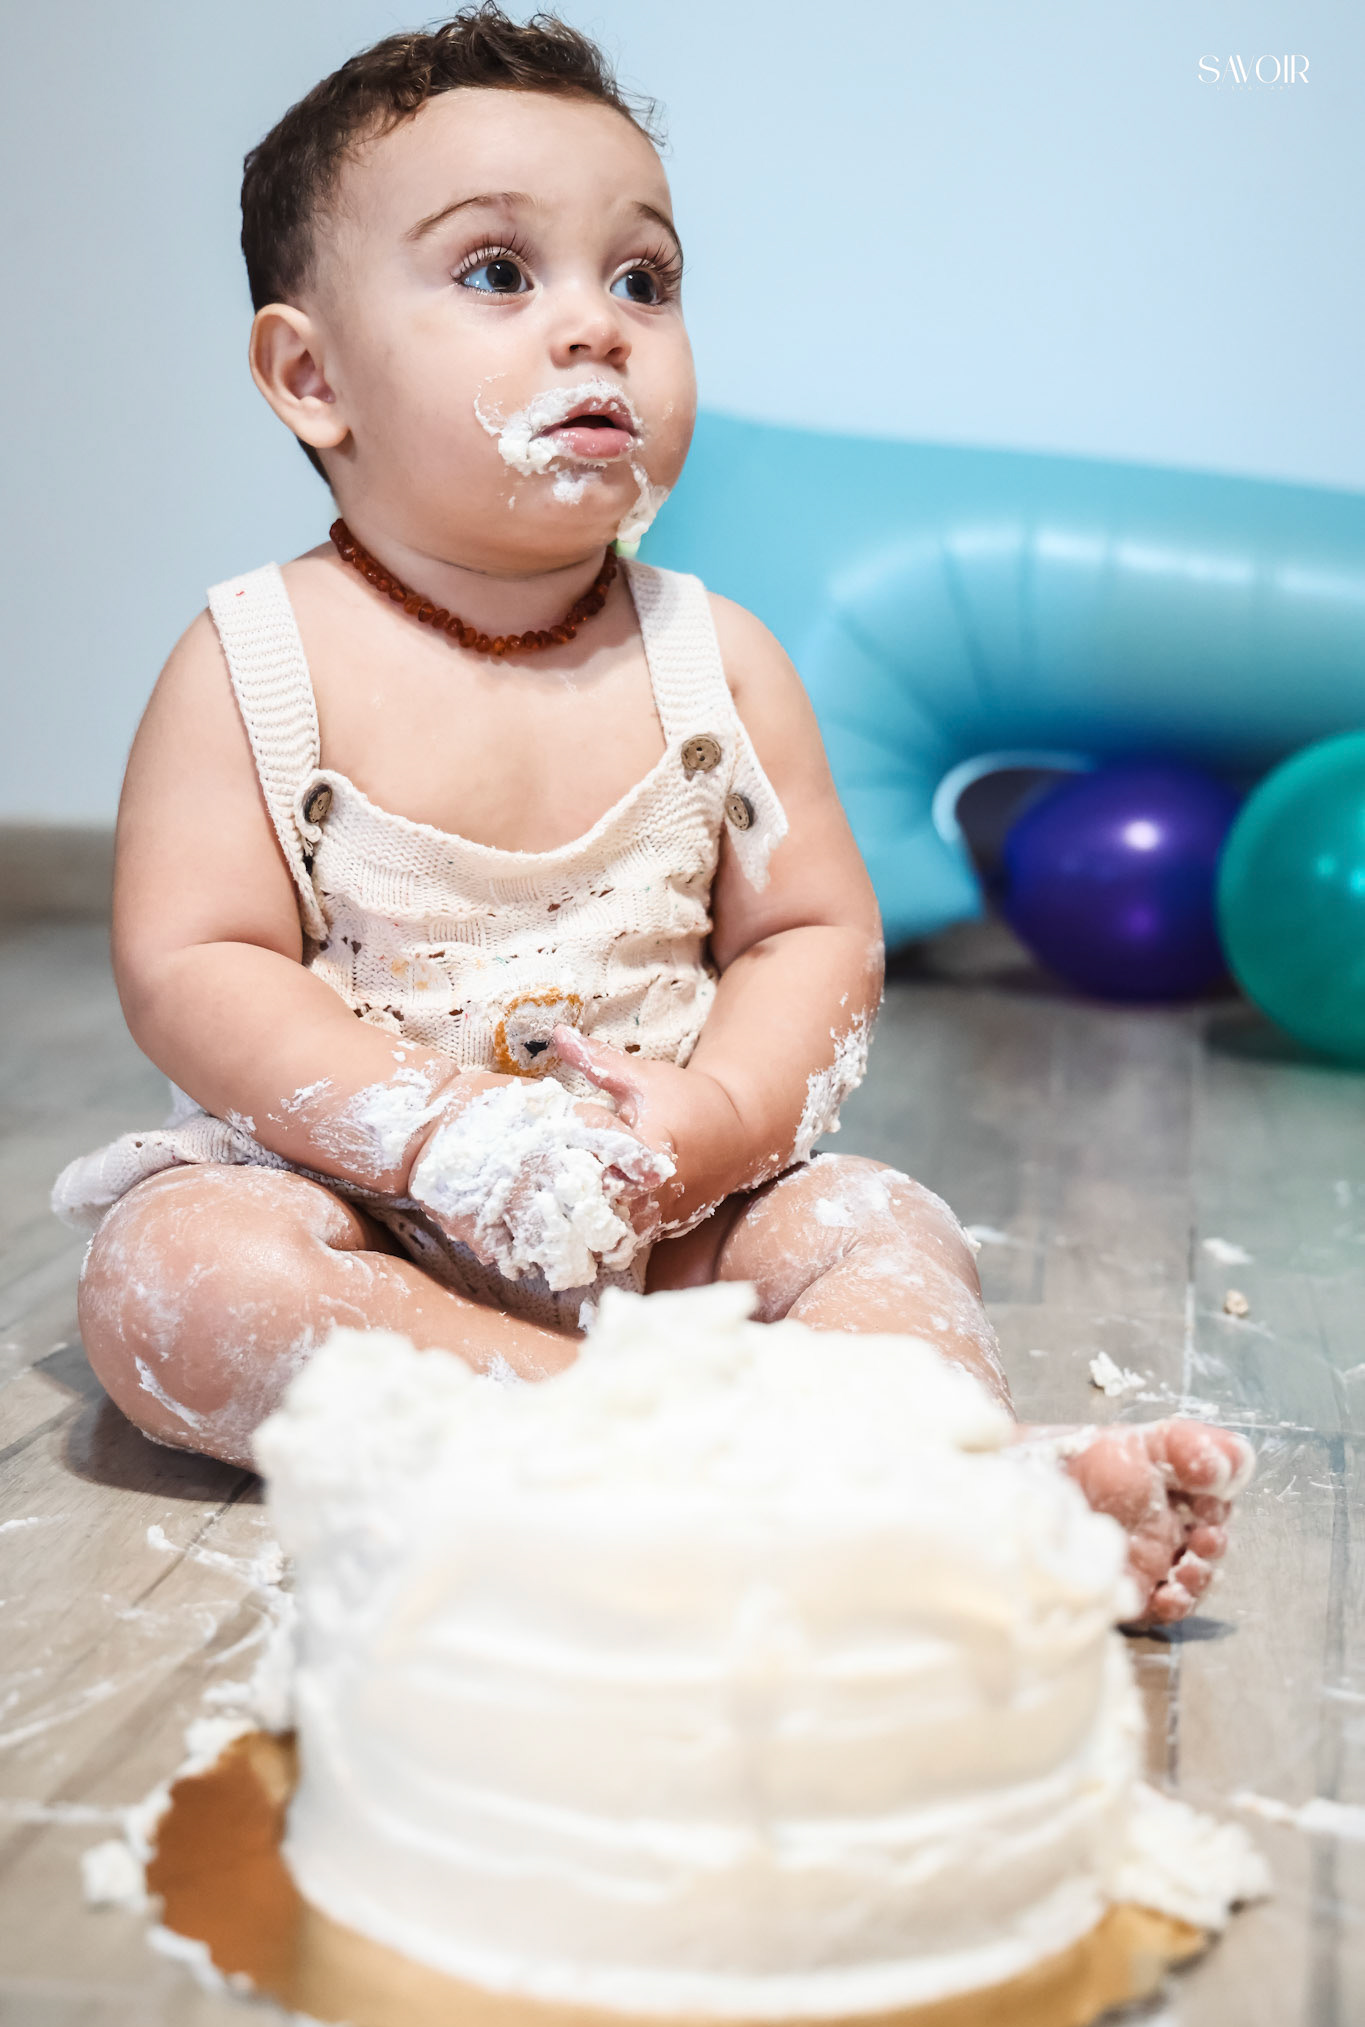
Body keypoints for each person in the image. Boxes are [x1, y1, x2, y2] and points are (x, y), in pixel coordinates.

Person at [55, 7, 1249, 1623]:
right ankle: (694, 1452)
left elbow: (810, 932)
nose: (595, 329)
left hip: (669, 1220)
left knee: (871, 1226)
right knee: (175, 1277)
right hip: (368, 1219)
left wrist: (723, 1121)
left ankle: (935, 1475)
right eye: (498, 272)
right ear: (311, 376)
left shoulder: (717, 663)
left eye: (642, 279)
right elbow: (196, 964)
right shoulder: (255, 660)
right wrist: (437, 1135)